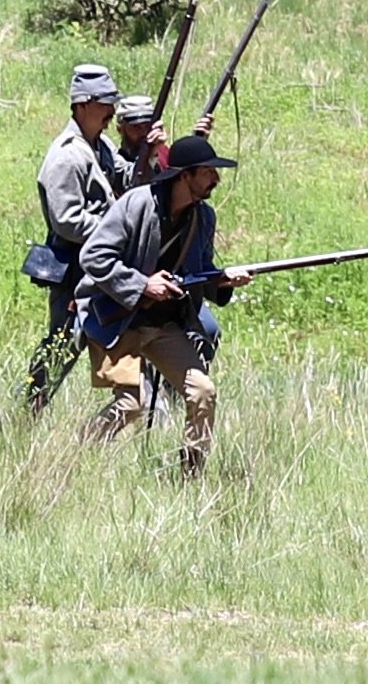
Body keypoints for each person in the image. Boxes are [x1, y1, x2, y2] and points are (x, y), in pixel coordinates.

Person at [75, 135, 252, 478]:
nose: (215, 179)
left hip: (163, 326)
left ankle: (191, 477)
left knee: (203, 392)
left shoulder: (204, 217)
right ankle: (74, 455)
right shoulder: (136, 204)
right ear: (185, 175)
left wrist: (221, 280)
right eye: (207, 173)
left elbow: (195, 272)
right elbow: (93, 256)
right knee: (131, 405)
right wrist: (143, 284)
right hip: (120, 320)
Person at [22, 64, 122, 413]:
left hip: (101, 267)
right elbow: (66, 221)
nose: (112, 112)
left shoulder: (102, 145)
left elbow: (126, 177)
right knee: (63, 346)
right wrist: (116, 230)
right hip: (75, 269)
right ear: (83, 104)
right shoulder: (66, 154)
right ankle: (27, 413)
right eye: (105, 103)